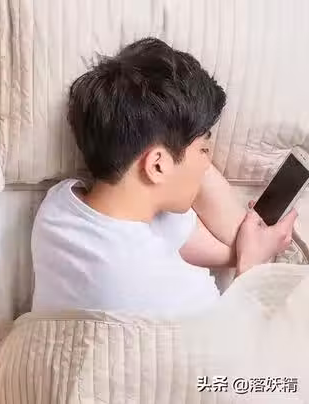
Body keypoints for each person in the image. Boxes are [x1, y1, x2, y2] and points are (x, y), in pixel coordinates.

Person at [31, 38, 297, 317]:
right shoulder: (167, 290)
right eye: (204, 150)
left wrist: (250, 250)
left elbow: (227, 247)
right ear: (157, 166)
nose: (208, 164)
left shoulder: (59, 207)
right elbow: (235, 337)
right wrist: (252, 266)